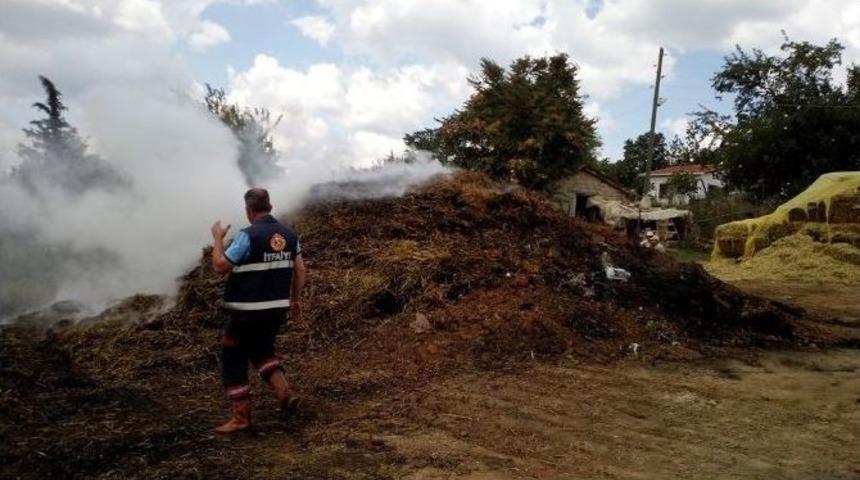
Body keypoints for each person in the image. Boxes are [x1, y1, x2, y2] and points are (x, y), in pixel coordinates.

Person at [209, 188, 307, 434]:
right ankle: (284, 393)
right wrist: (295, 300)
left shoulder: (247, 236)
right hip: (275, 310)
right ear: (270, 207)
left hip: (245, 311)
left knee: (233, 358)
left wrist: (218, 239)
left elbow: (220, 266)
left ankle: (241, 417)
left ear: (249, 211)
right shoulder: (290, 235)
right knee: (261, 350)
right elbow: (301, 270)